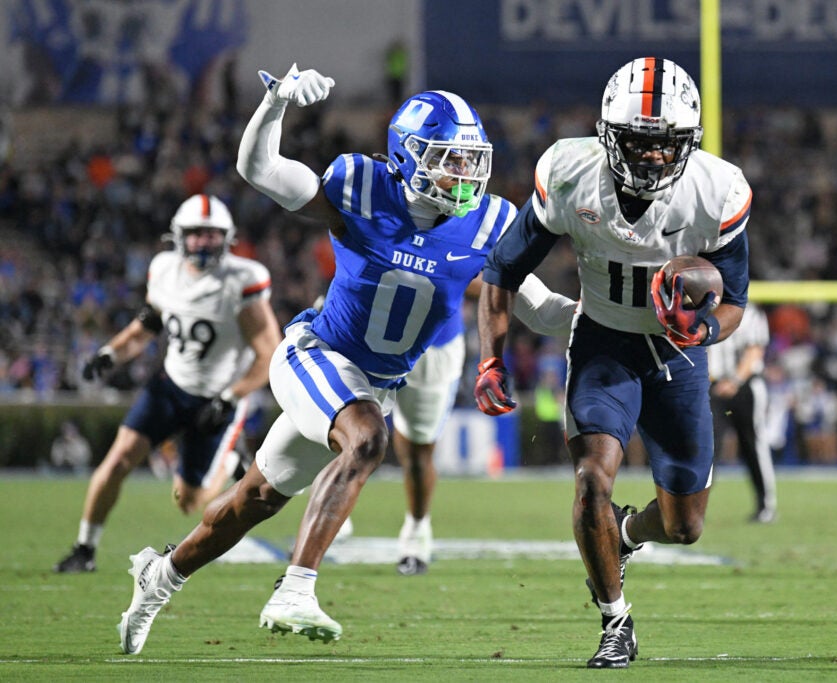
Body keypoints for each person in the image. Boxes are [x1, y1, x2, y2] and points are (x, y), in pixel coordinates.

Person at [115, 64, 564, 655]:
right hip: (315, 354)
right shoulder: (361, 187)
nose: (463, 172)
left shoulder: (488, 222)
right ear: (406, 156)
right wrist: (275, 102)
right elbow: (261, 170)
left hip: (372, 383)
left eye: (468, 158)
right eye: (447, 158)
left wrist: (618, 322)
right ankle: (295, 587)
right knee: (370, 439)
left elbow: (541, 308)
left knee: (254, 500)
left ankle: (160, 576)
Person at [475, 57, 752, 668]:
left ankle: (625, 536)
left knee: (684, 526)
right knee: (591, 477)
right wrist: (489, 361)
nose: (654, 157)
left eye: (667, 144)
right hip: (602, 342)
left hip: (676, 356)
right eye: (640, 142)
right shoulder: (570, 173)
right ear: (608, 135)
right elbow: (503, 269)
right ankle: (615, 621)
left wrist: (702, 327)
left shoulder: (717, 189)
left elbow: (734, 303)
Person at [53, 194, 280, 574]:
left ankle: (230, 462)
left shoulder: (242, 280)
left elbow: (268, 353)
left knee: (188, 501)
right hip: (171, 386)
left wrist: (229, 398)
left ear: (226, 238)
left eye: (212, 235)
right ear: (179, 236)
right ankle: (84, 549)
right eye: (196, 234)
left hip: (216, 398)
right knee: (117, 460)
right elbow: (148, 325)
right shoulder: (163, 270)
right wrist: (109, 353)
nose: (203, 243)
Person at [391, 275, 574, 576]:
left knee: (417, 447)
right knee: (351, 432)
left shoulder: (464, 227)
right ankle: (307, 565)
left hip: (432, 344)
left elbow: (483, 273)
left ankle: (416, 527)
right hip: (362, 326)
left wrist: (437, 270)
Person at [708, 301, 776, 523]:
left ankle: (766, 505)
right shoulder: (701, 308)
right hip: (712, 385)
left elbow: (754, 351)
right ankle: (695, 507)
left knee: (753, 445)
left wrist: (735, 380)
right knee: (707, 448)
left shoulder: (751, 312)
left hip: (745, 386)